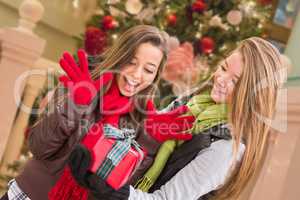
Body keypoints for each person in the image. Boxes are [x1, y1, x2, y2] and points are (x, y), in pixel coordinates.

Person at [71, 37, 283, 200]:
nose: (220, 79)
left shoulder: (226, 148)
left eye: (235, 81)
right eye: (224, 67)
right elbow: (143, 136)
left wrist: (114, 191)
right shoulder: (194, 102)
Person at [0, 25, 195, 200]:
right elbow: (39, 146)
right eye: (132, 62)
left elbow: (116, 188)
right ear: (120, 57)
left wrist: (149, 143)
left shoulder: (143, 119)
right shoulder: (81, 83)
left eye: (148, 69)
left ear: (155, 76)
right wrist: (75, 104)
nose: (137, 75)